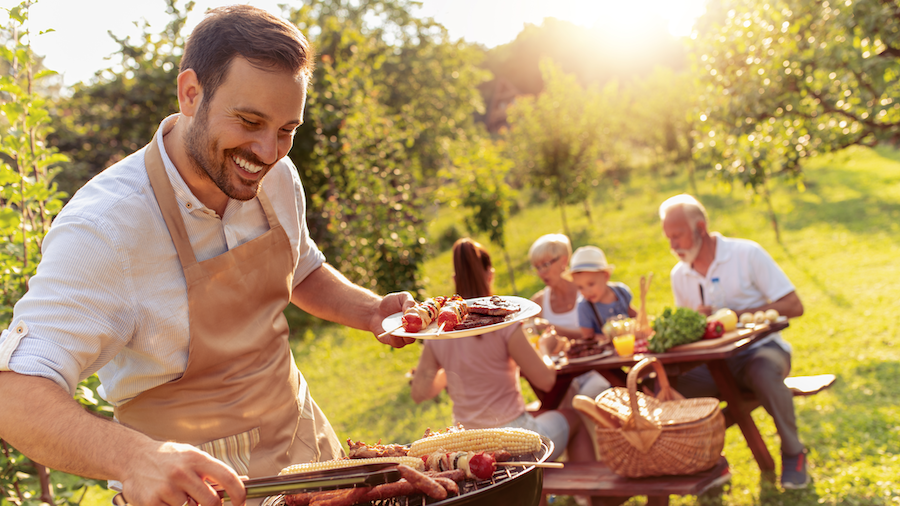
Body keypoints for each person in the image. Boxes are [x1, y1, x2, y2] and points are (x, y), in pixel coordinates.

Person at [0, 7, 415, 506]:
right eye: (249, 121)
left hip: (307, 457)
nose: (268, 151)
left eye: (288, 129)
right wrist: (135, 460)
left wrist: (370, 311)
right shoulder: (105, 228)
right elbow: (15, 394)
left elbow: (301, 269)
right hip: (193, 487)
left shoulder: (277, 178)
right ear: (191, 93)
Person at [658, 193, 808, 489]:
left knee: (762, 372)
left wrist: (737, 314)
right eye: (668, 238)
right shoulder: (680, 275)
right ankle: (710, 463)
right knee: (667, 389)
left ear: (700, 228)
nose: (672, 245)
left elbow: (794, 305)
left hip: (762, 351)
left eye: (677, 236)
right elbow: (690, 333)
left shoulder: (746, 254)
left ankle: (794, 453)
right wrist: (697, 323)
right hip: (714, 364)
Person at [410, 238, 595, 463]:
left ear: (455, 280)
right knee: (574, 418)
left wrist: (452, 370)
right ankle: (593, 495)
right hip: (511, 437)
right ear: (490, 275)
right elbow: (545, 380)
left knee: (539, 411)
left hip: (469, 446)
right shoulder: (503, 324)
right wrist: (546, 348)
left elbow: (419, 392)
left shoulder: (438, 330)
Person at [528, 234, 609, 399]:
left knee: (585, 398)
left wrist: (552, 328)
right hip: (563, 373)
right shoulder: (538, 302)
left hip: (597, 368)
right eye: (537, 267)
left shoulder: (587, 290)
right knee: (562, 399)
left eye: (546, 264)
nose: (542, 272)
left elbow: (600, 333)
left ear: (563, 261)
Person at [569, 246, 637, 341]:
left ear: (605, 276)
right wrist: (610, 338)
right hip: (607, 352)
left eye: (591, 284)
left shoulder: (621, 291)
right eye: (580, 287)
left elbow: (632, 314)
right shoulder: (584, 307)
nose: (587, 291)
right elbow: (588, 337)